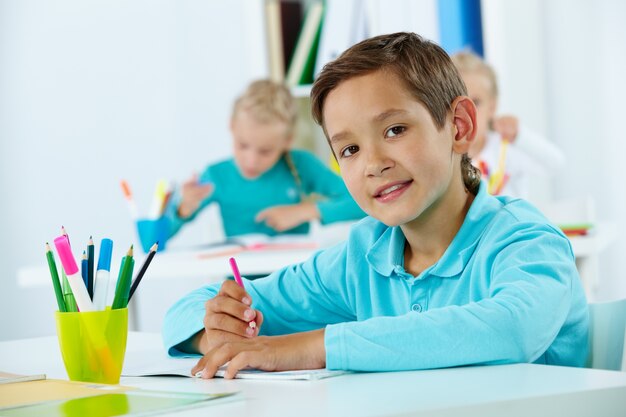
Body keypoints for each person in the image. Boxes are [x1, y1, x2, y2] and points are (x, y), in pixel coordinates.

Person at [162, 32, 588, 378]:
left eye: (395, 129)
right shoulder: (362, 259)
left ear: (459, 127)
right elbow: (186, 310)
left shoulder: (526, 241)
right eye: (348, 150)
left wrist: (310, 347)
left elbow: (511, 329)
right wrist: (217, 330)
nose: (373, 164)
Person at [163, 79, 364, 240]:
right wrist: (182, 208)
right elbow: (153, 243)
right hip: (239, 284)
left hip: (295, 282)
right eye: (242, 145)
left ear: (287, 140)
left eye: (265, 151)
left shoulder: (302, 164)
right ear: (232, 127)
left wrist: (304, 211)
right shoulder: (217, 176)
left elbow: (363, 201)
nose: (251, 161)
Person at [451, 51, 565, 199]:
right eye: (459, 102)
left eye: (476, 102)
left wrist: (520, 136)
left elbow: (555, 163)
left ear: (492, 108)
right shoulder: (445, 156)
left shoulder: (504, 147)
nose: (468, 112)